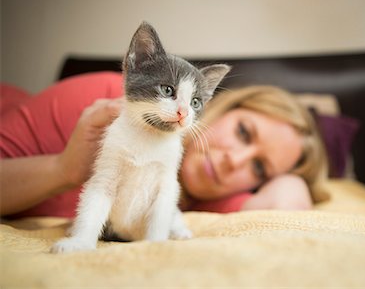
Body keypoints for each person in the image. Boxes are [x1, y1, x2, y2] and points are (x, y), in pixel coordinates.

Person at [0, 72, 328, 218]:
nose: (235, 161)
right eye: (243, 132)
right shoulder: (109, 107)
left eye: (259, 168)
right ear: (223, 107)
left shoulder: (202, 202)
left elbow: (287, 208)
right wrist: (64, 169)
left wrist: (294, 177)